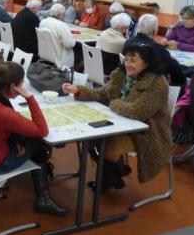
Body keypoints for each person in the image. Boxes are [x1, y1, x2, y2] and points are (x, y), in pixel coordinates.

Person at [62, 37, 172, 191]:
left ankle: (111, 176)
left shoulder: (157, 83)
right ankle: (115, 174)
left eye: (133, 60)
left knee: (108, 149)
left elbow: (138, 111)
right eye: (126, 59)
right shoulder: (121, 74)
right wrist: (78, 90)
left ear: (147, 62)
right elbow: (102, 93)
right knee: (91, 140)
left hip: (147, 133)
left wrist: (114, 104)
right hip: (121, 123)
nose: (128, 64)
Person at [0, 62, 68, 215]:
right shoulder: (4, 113)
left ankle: (43, 188)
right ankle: (43, 199)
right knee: (41, 146)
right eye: (21, 84)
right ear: (13, 87)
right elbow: (42, 130)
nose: (23, 87)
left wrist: (15, 138)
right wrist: (29, 97)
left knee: (26, 138)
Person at [134, 14, 186, 86]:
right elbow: (177, 72)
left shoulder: (127, 42)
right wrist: (173, 60)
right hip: (153, 86)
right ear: (155, 30)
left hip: (134, 82)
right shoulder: (158, 49)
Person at [39, 3, 77, 68]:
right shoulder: (61, 25)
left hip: (45, 54)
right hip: (59, 57)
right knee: (78, 51)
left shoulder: (43, 22)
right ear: (60, 15)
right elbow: (70, 44)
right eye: (64, 14)